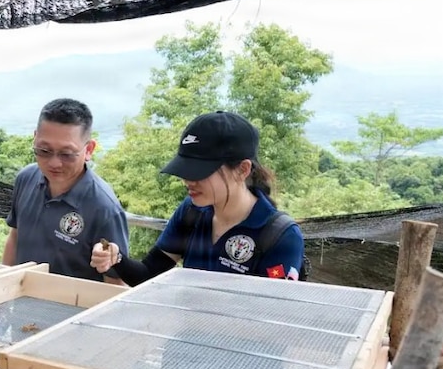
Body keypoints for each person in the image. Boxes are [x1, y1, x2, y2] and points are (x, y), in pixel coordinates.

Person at [3, 98, 130, 369]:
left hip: (77, 334)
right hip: (25, 321)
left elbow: (119, 287)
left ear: (89, 148)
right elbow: (15, 238)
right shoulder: (25, 180)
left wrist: (104, 265)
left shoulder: (102, 206)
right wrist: (2, 290)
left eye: (66, 153)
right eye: (43, 150)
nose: (53, 163)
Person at [90, 110, 304, 284]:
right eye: (185, 169)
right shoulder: (192, 212)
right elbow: (149, 273)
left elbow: (271, 314)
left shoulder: (279, 236)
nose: (188, 180)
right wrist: (116, 258)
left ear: (242, 170)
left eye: (200, 171)